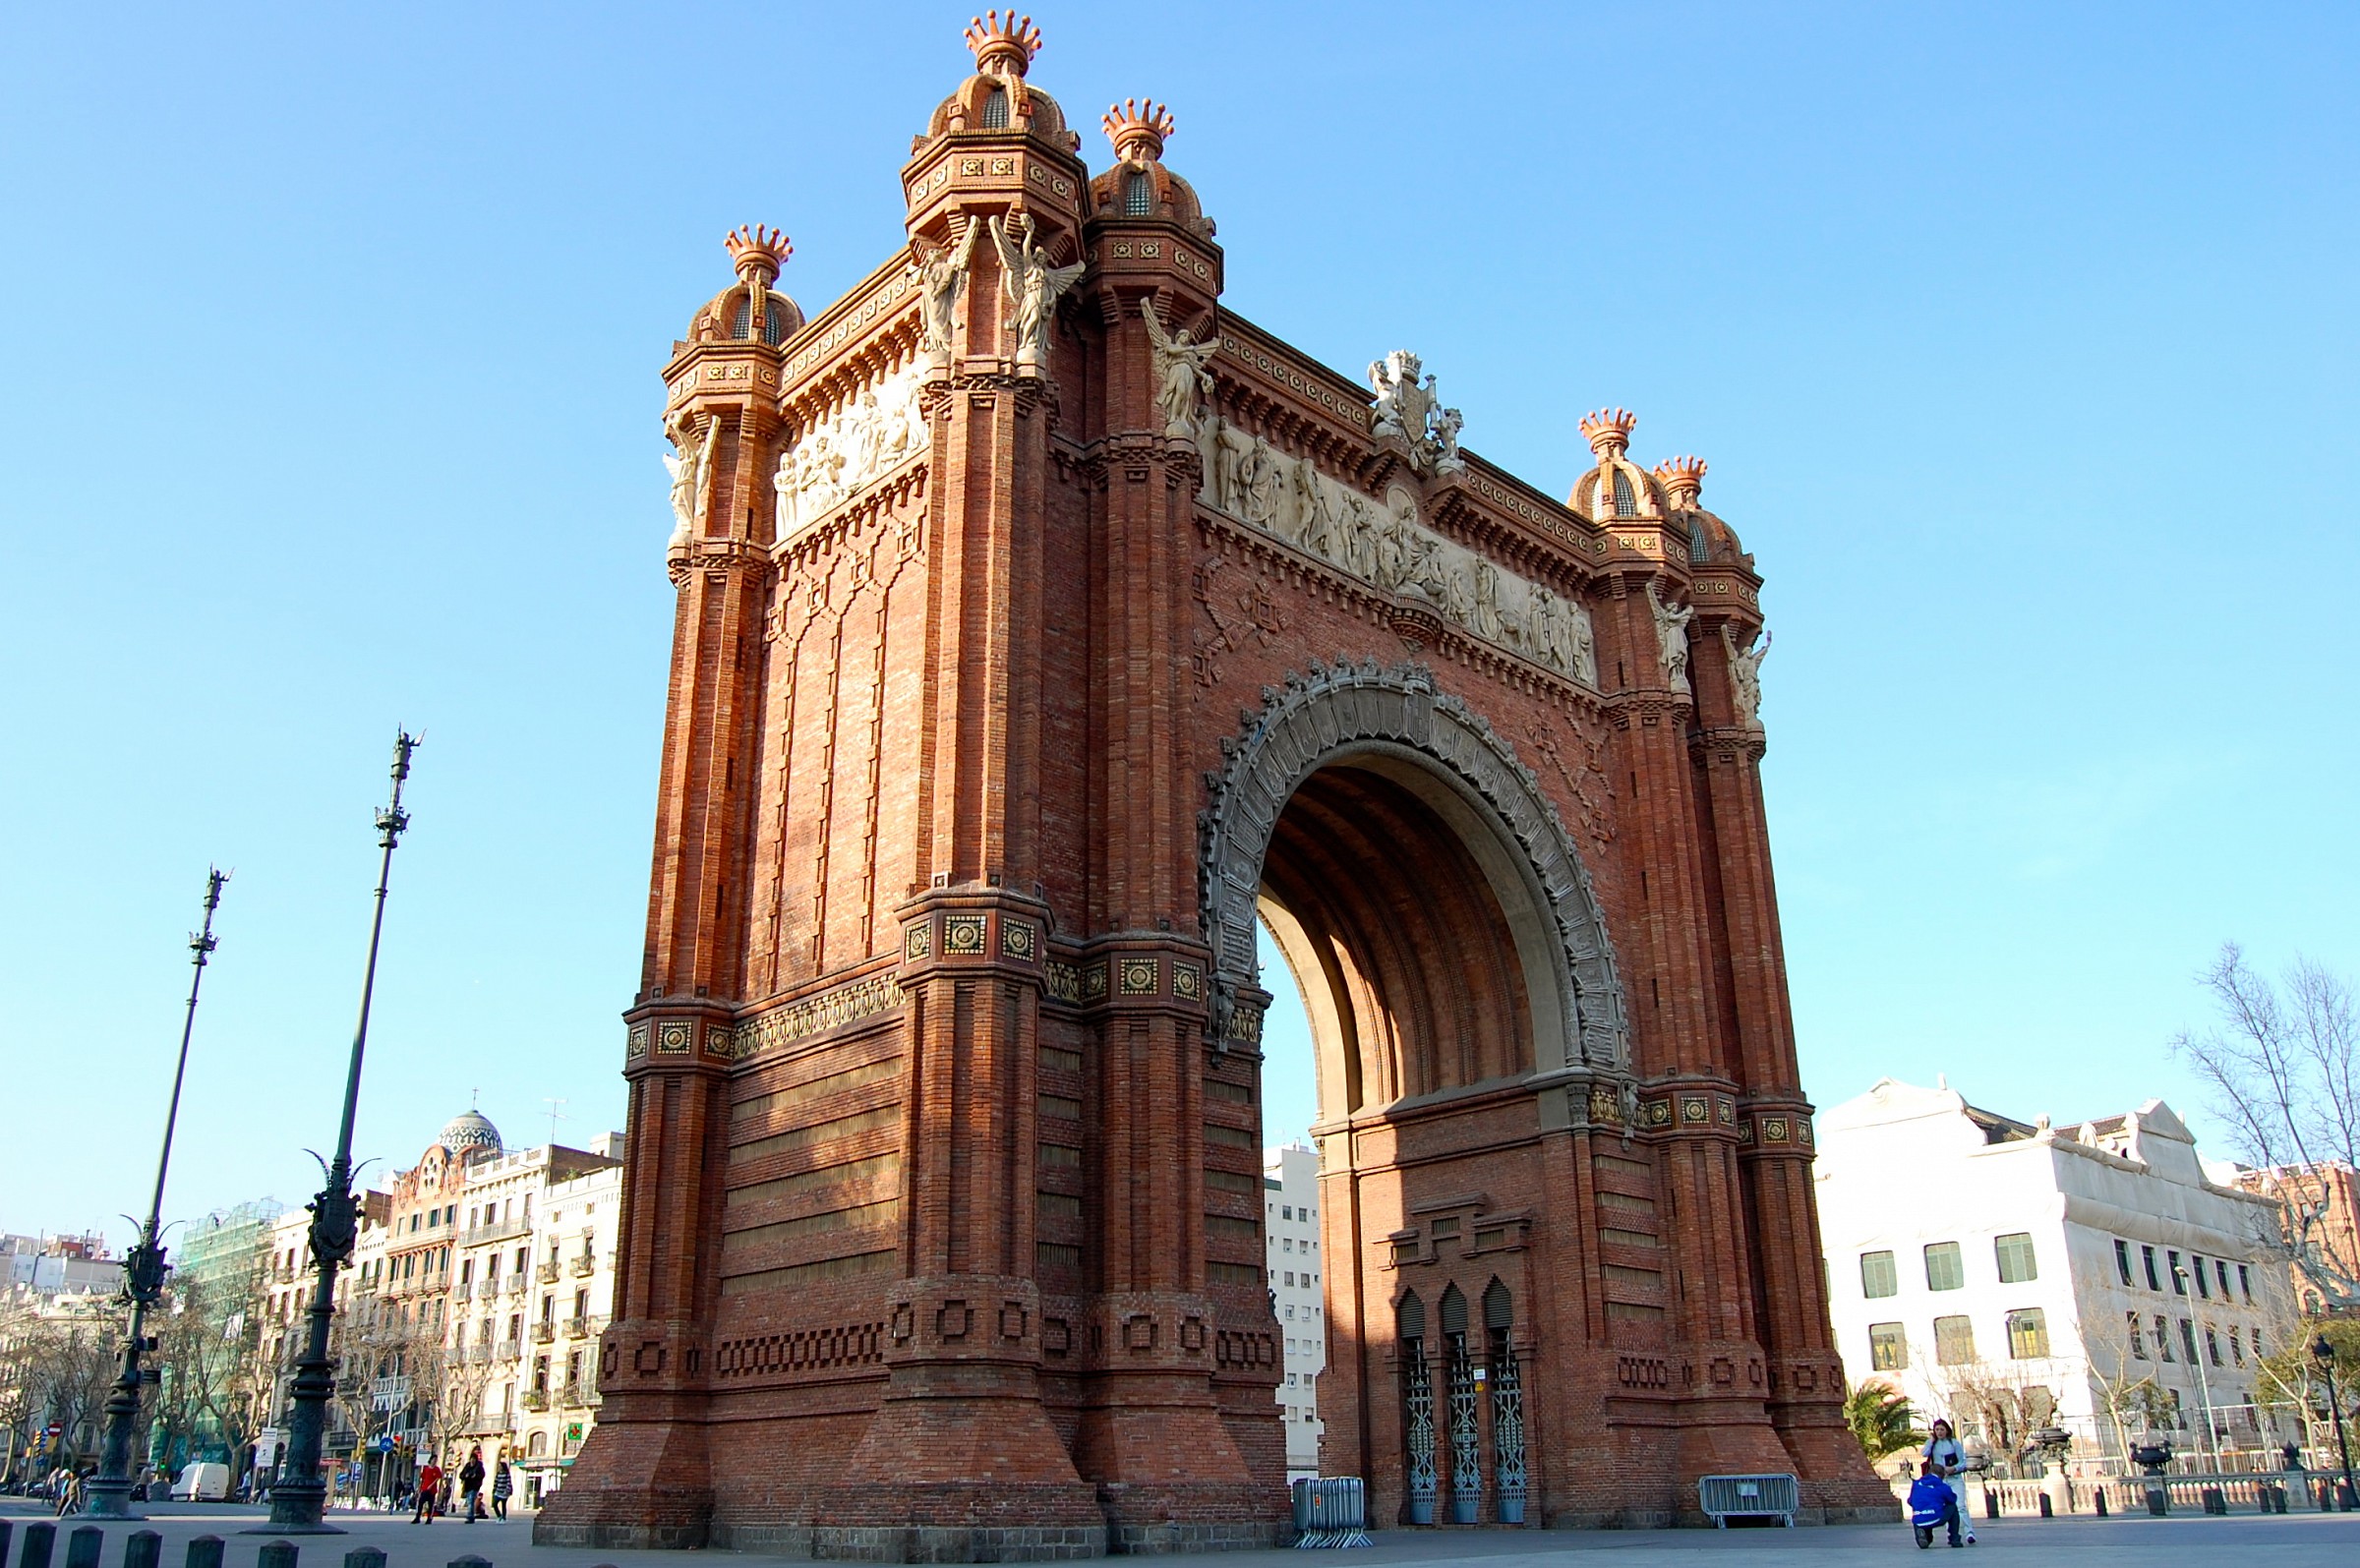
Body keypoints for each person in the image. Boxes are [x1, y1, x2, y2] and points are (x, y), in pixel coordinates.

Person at [1924, 1419, 1976, 1544]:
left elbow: (1962, 1462)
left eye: (1942, 1429)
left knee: (1960, 1506)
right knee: (1946, 1507)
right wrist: (1930, 1441)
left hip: (1955, 1479)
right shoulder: (1933, 1444)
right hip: (1940, 1481)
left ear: (1947, 1430)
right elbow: (1924, 1453)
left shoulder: (1954, 1443)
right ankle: (1951, 1534)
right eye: (1937, 1430)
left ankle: (1969, 1532)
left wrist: (1954, 1468)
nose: (1939, 1432)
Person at [1909, 1459, 1963, 1548]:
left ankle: (1924, 1537)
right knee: (1952, 1507)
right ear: (1942, 1475)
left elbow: (1910, 1501)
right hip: (1936, 1517)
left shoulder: (1916, 1484)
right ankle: (1954, 1539)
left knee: (1921, 1516)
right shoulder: (1942, 1486)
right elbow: (1952, 1499)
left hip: (1918, 1518)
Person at [458, 1445, 486, 1523]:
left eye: (474, 1459)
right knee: (470, 1501)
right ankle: (472, 1516)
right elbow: (461, 1475)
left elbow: (482, 1475)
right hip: (467, 1486)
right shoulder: (467, 1466)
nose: (472, 1461)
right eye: (471, 1459)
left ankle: (470, 1516)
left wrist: (475, 1476)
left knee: (471, 1501)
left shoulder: (479, 1466)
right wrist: (465, 1476)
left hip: (475, 1486)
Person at [411, 1458, 443, 1523]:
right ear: (430, 1460)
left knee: (430, 1504)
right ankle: (418, 1517)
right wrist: (420, 1487)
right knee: (421, 1503)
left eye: (436, 1460)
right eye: (433, 1460)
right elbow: (423, 1478)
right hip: (425, 1488)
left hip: (432, 1490)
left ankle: (429, 1518)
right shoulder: (426, 1468)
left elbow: (438, 1478)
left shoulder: (437, 1469)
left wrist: (431, 1485)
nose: (434, 1461)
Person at [490, 1457, 512, 1521]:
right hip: (498, 1492)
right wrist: (494, 1490)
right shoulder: (498, 1474)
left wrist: (507, 1490)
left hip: (504, 1492)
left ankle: (503, 1517)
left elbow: (509, 1483)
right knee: (494, 1504)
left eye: (500, 1466)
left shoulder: (507, 1474)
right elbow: (496, 1482)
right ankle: (499, 1516)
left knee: (503, 1505)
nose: (499, 1467)